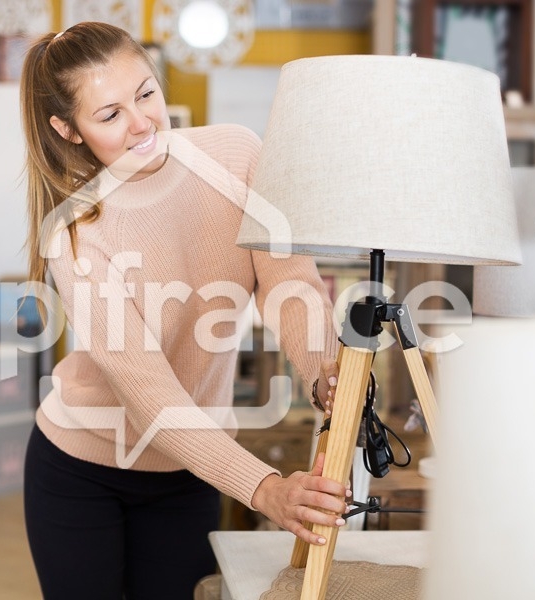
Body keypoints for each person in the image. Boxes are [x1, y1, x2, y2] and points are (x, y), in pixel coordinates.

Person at [20, 22, 347, 600]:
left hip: (188, 471)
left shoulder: (236, 155)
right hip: (79, 469)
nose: (142, 122)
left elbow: (288, 282)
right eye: (110, 114)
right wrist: (266, 489)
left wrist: (325, 373)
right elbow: (150, 393)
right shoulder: (76, 232)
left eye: (146, 93)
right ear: (68, 129)